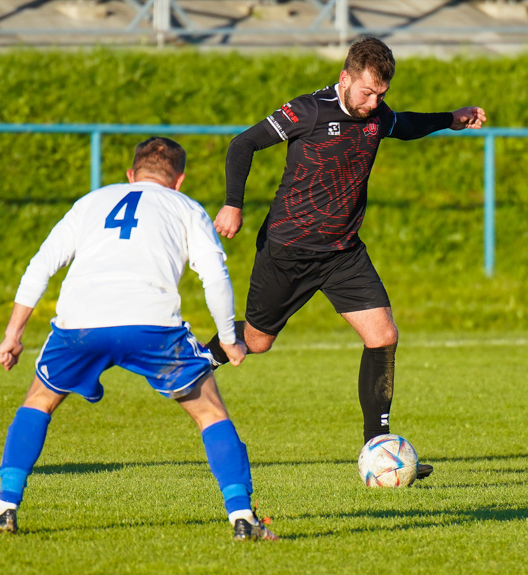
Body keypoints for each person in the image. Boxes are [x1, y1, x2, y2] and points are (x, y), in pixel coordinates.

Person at [206, 36, 486, 478]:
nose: (373, 103)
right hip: (289, 250)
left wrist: (451, 119)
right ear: (345, 78)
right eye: (367, 92)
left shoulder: (376, 115)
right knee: (255, 342)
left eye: (381, 94)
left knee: (383, 335)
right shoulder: (308, 110)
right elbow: (243, 144)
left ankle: (378, 447)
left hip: (342, 253)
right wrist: (233, 204)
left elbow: (405, 124)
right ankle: (189, 361)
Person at [0, 137, 277, 542]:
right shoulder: (186, 207)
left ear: (131, 175)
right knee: (211, 414)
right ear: (179, 180)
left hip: (80, 324)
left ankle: (4, 510)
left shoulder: (92, 202)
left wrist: (13, 335)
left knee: (38, 402)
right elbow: (216, 278)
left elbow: (42, 265)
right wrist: (229, 338)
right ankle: (243, 519)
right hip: (152, 325)